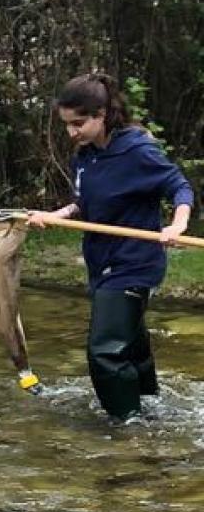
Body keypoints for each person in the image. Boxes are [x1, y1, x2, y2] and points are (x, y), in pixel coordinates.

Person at [27, 73, 194, 421]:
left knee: (104, 352)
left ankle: (126, 425)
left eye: (79, 123)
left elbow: (180, 187)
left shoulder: (137, 150)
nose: (72, 132)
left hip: (133, 263)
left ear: (102, 114)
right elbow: (84, 202)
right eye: (67, 125)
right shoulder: (85, 157)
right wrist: (57, 214)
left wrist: (176, 225)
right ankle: (150, 408)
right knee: (131, 346)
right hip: (101, 261)